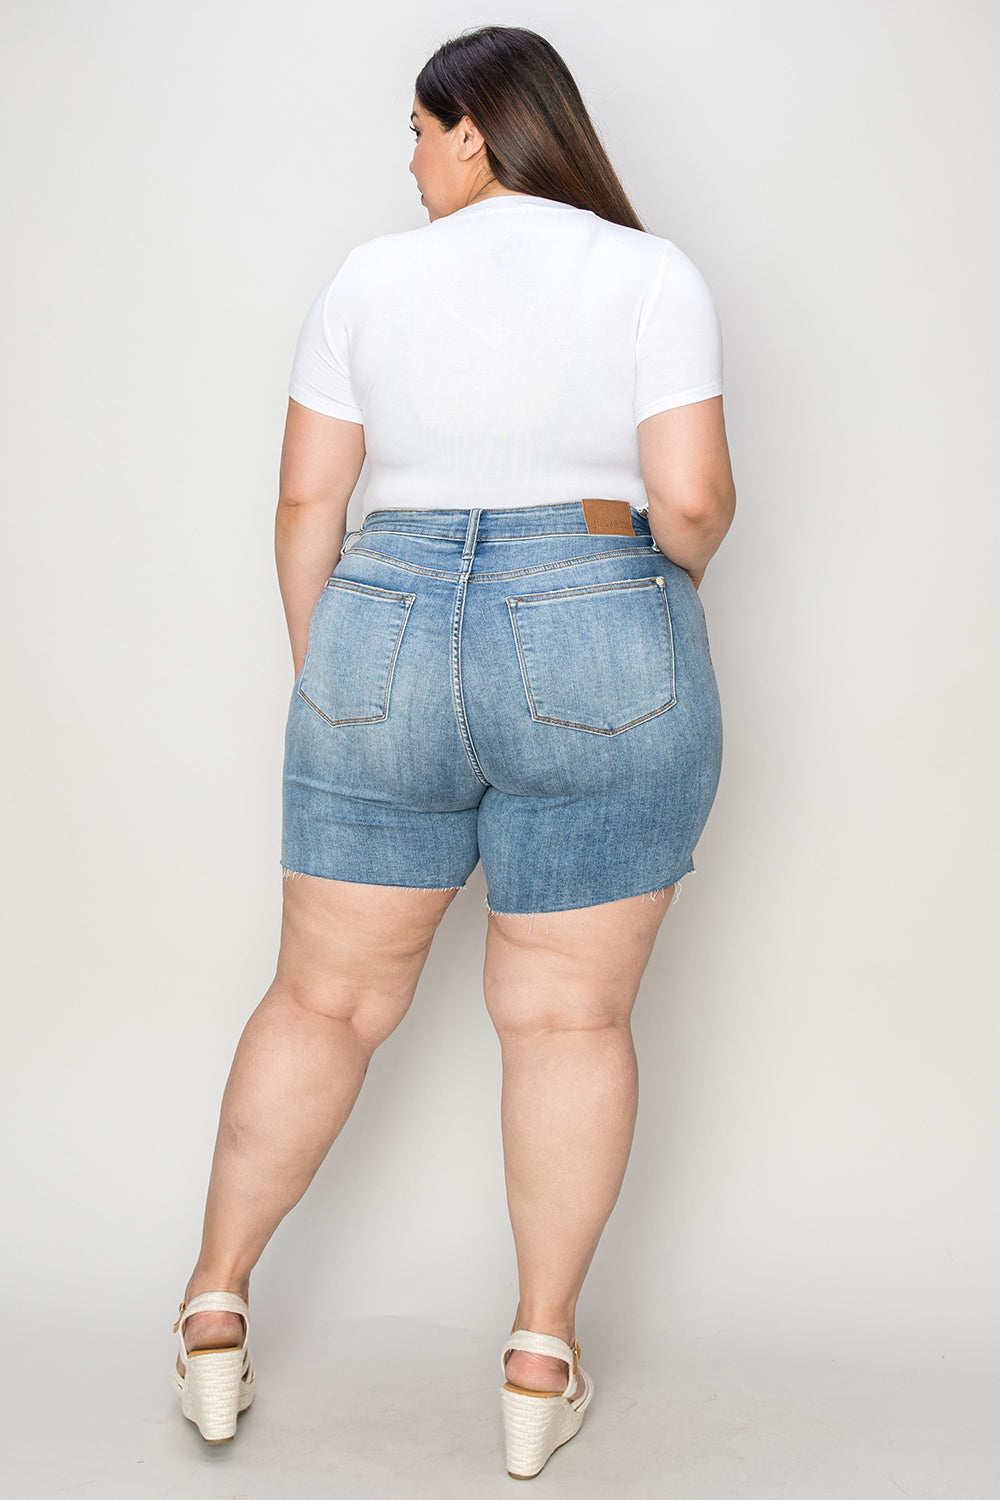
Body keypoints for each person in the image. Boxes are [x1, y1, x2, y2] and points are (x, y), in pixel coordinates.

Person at [170, 23, 736, 1481]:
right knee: (564, 1021)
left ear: (474, 130)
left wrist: (337, 672)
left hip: (382, 622)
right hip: (598, 622)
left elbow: (307, 505)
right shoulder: (648, 271)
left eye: (418, 132)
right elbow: (692, 501)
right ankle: (538, 1362)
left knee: (323, 997)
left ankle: (214, 1313)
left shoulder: (368, 278)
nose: (408, 160)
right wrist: (635, 601)